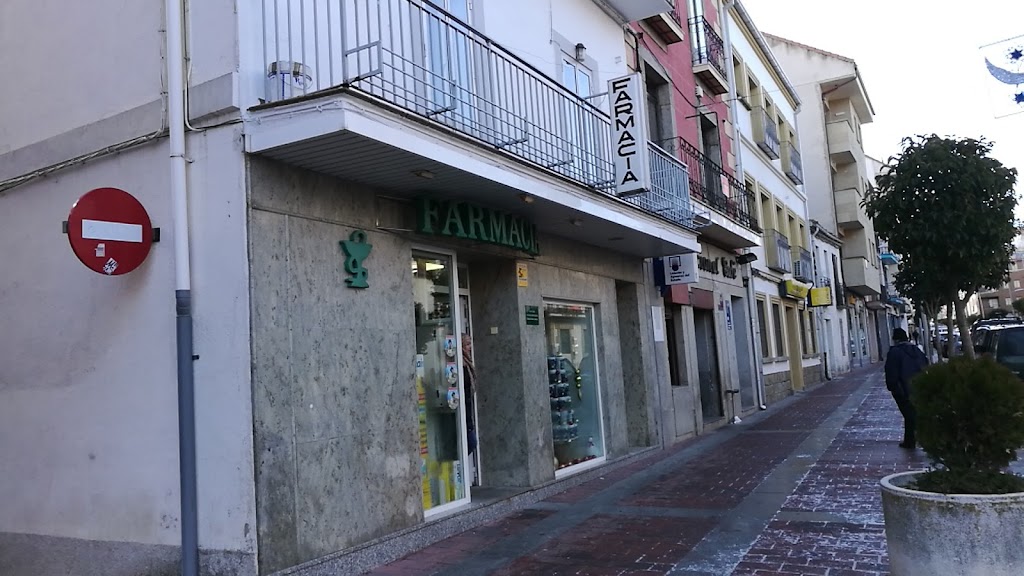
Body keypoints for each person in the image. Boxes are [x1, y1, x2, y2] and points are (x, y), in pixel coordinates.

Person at [884, 328, 929, 449]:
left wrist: (893, 387)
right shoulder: (916, 350)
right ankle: (913, 439)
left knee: (909, 415)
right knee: (912, 414)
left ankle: (911, 440)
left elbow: (891, 372)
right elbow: (925, 364)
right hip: (918, 387)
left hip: (902, 389)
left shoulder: (894, 352)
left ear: (895, 339)